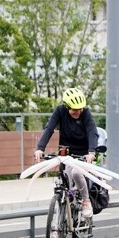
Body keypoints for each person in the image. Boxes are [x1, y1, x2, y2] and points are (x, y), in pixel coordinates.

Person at [34, 87, 98, 218]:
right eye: (74, 109)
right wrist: (40, 148)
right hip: (66, 153)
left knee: (76, 172)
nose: (78, 112)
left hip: (83, 154)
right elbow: (49, 129)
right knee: (65, 179)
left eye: (80, 109)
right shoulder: (60, 111)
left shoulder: (86, 114)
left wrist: (91, 152)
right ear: (67, 106)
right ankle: (61, 219)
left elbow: (92, 133)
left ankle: (86, 201)